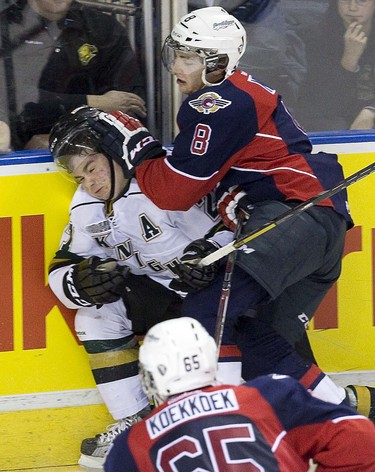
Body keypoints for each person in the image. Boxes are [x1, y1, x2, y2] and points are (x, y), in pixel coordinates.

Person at [73, 6, 375, 422]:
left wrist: (136, 144)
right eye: (175, 53)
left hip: (290, 218)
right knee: (256, 339)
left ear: (216, 64)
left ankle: (225, 427)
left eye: (189, 57)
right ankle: (350, 415)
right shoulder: (234, 95)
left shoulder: (215, 104)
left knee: (205, 312)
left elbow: (173, 192)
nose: (176, 66)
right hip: (310, 225)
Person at [47, 106, 221, 468]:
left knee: (263, 396)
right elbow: (61, 269)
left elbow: (230, 229)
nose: (89, 183)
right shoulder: (86, 207)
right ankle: (137, 421)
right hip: (161, 297)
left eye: (92, 168)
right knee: (96, 314)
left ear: (117, 152)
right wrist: (81, 283)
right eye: (79, 178)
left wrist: (211, 257)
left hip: (214, 300)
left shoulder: (166, 181)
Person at [104, 317, 375, 472]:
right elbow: (360, 438)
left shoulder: (131, 445)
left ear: (150, 374)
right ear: (211, 358)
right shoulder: (267, 396)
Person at [0, 0, 146, 150]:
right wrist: (94, 102)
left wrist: (71, 139)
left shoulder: (102, 27)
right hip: (18, 159)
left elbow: (129, 105)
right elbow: (13, 100)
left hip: (92, 152)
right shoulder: (5, 28)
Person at [295, 0, 375, 131]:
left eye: (361, 1)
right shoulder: (316, 36)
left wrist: (371, 111)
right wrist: (349, 59)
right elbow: (321, 103)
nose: (352, 8)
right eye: (345, 1)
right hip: (335, 117)